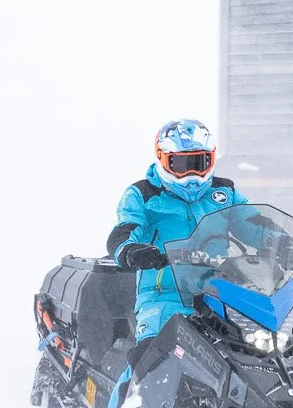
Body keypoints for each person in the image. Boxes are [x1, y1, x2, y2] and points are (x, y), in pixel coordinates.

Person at [106, 118, 247, 340]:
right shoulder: (143, 195)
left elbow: (254, 225)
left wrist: (284, 243)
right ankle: (130, 376)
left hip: (221, 296)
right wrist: (130, 251)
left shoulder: (225, 193)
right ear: (162, 159)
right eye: (180, 164)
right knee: (151, 357)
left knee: (261, 348)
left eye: (199, 163)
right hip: (164, 297)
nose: (191, 175)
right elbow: (124, 230)